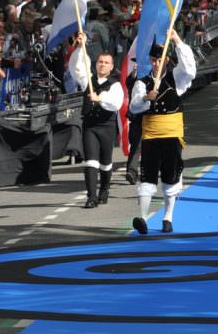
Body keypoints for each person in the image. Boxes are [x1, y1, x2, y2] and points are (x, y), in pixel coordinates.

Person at [128, 29, 197, 234]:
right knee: (147, 176)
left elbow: (190, 69)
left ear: (167, 60)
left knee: (171, 176)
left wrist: (177, 40)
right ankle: (143, 218)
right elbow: (133, 107)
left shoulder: (177, 78)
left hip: (172, 134)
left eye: (160, 60)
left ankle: (168, 217)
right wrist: (145, 99)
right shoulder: (142, 82)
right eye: (153, 60)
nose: (156, 63)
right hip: (150, 134)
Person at [70, 32, 124, 208]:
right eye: (100, 62)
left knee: (105, 162)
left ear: (111, 66)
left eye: (106, 63)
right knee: (91, 160)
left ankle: (104, 190)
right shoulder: (88, 80)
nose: (102, 65)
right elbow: (76, 67)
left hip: (106, 126)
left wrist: (100, 98)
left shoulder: (115, 85)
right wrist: (80, 47)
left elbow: (116, 104)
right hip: (90, 126)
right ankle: (91, 197)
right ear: (96, 63)